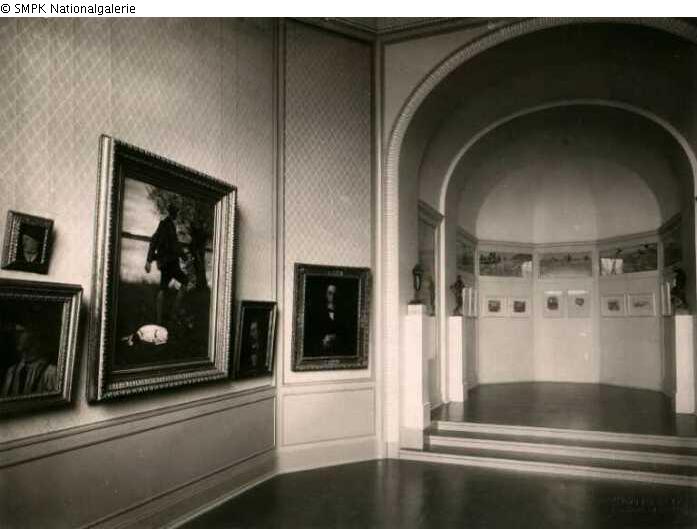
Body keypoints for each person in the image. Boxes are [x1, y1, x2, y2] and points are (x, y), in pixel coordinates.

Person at [145, 205, 189, 325]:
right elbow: (159, 242)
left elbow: (157, 242)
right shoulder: (166, 225)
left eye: (176, 212)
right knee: (185, 281)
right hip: (170, 262)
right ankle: (174, 313)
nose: (176, 215)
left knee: (163, 287)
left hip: (165, 263)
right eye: (175, 212)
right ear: (172, 213)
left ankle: (159, 320)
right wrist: (148, 261)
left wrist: (149, 260)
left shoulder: (166, 225)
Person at [1, 320, 57, 397]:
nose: (16, 336)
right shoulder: (11, 372)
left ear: (35, 334)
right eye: (15, 333)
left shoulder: (50, 373)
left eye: (21, 332)